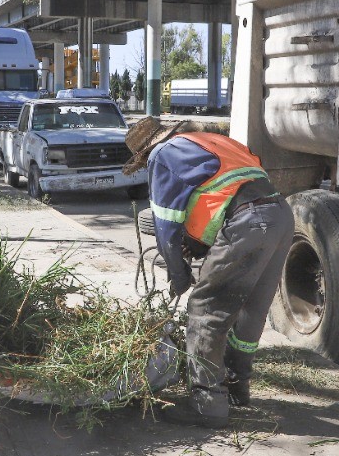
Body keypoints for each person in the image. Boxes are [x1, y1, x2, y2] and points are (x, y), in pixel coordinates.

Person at [123, 118, 295, 428]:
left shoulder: (162, 154)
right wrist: (205, 243)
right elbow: (225, 191)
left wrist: (178, 273)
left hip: (248, 223)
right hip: (279, 215)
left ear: (145, 153)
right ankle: (236, 387)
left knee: (204, 309)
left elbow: (166, 222)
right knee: (250, 309)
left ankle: (207, 404)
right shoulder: (211, 142)